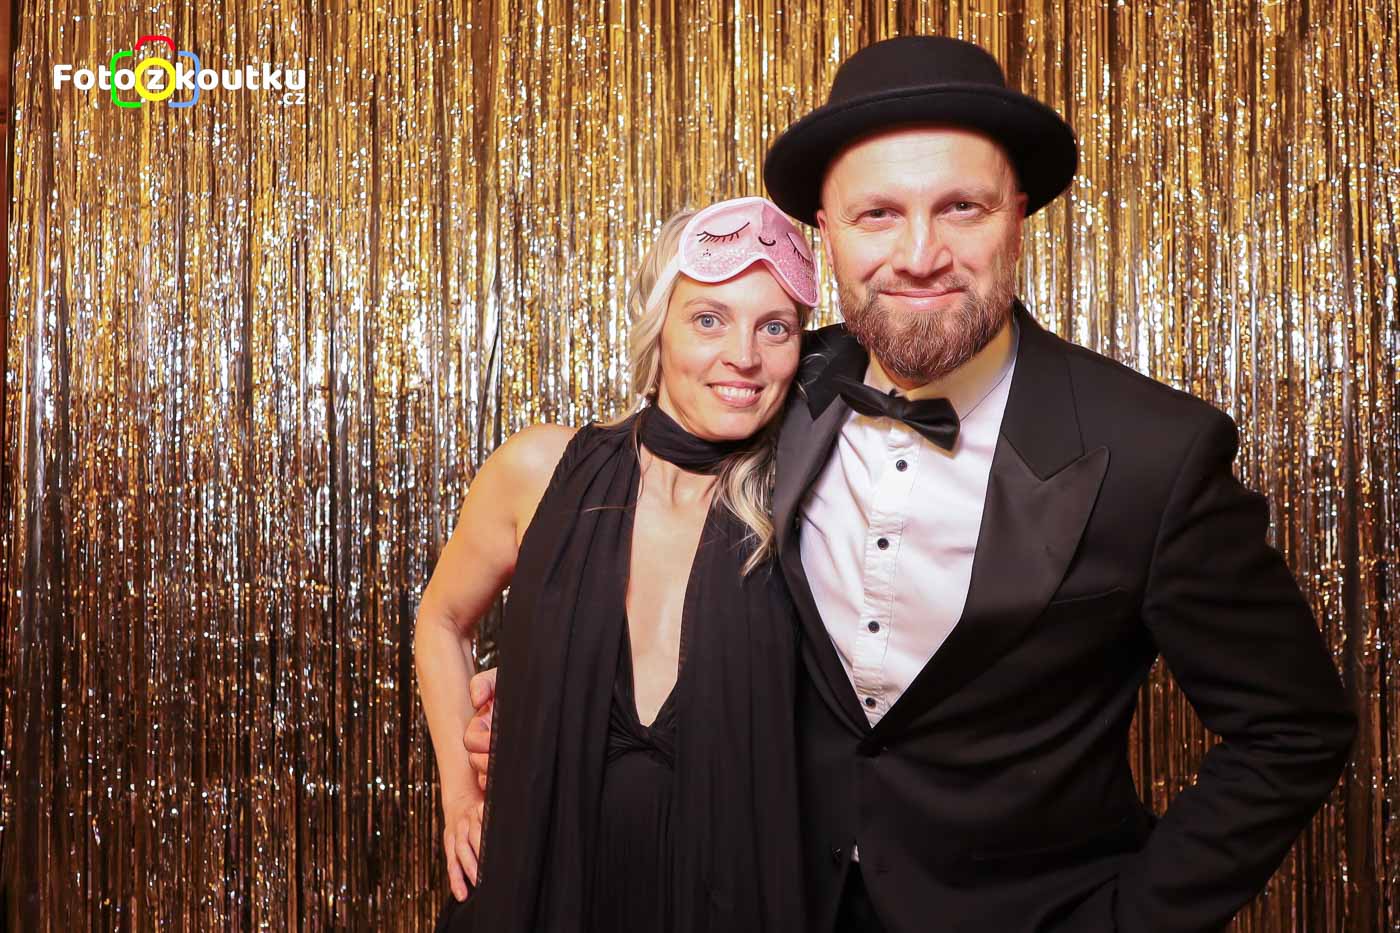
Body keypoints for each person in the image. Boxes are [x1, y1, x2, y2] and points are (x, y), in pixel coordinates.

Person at [464, 36, 1356, 932]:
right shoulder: (773, 387)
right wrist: (545, 680)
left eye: (962, 207)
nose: (920, 254)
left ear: (1018, 214)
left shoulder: (1153, 453)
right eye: (878, 214)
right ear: (827, 232)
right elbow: (640, 529)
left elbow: (1294, 730)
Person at [414, 196, 818, 933]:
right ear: (658, 326)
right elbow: (441, 619)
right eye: (709, 319)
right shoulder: (538, 469)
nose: (744, 355)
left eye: (775, 327)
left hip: (725, 901)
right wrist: (460, 794)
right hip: (536, 888)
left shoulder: (812, 505)